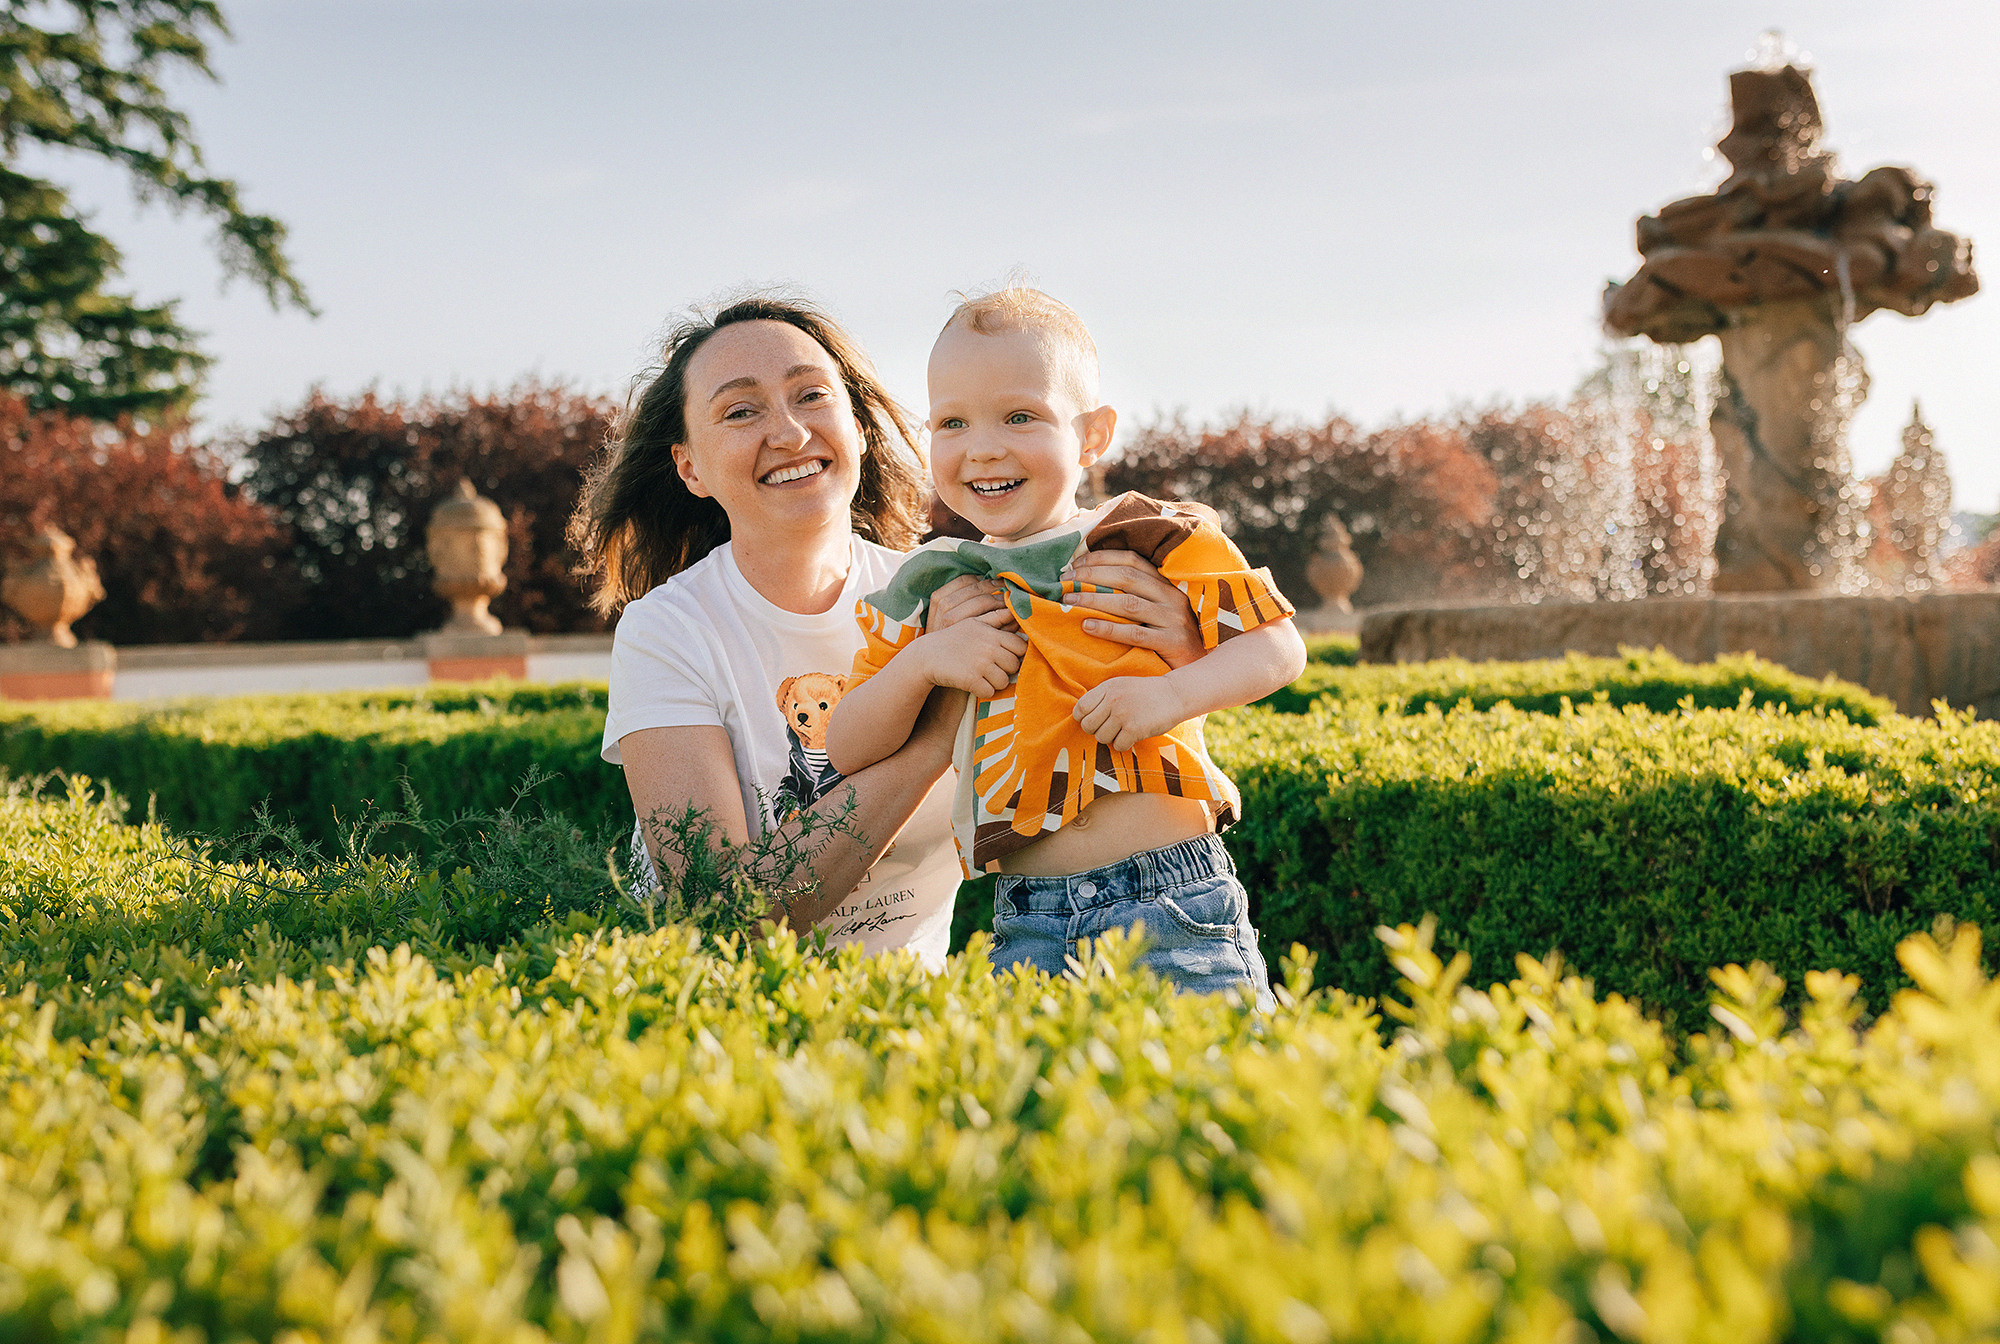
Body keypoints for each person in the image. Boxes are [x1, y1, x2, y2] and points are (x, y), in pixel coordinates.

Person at [569, 295, 1209, 970]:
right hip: (729, 1024)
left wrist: (1180, 644)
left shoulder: (954, 589)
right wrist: (932, 733)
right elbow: (723, 915)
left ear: (860, 428)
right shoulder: (667, 631)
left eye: (812, 395)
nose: (788, 432)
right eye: (740, 410)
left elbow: (1109, 730)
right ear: (689, 466)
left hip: (906, 1020)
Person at [826, 288, 1306, 1004]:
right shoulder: (932, 588)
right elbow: (847, 744)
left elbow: (1277, 647)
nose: (982, 445)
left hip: (1170, 894)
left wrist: (1172, 694)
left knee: (1214, 1094)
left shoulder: (1148, 536)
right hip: (1029, 917)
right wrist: (925, 661)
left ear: (1092, 435)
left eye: (1020, 415)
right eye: (951, 422)